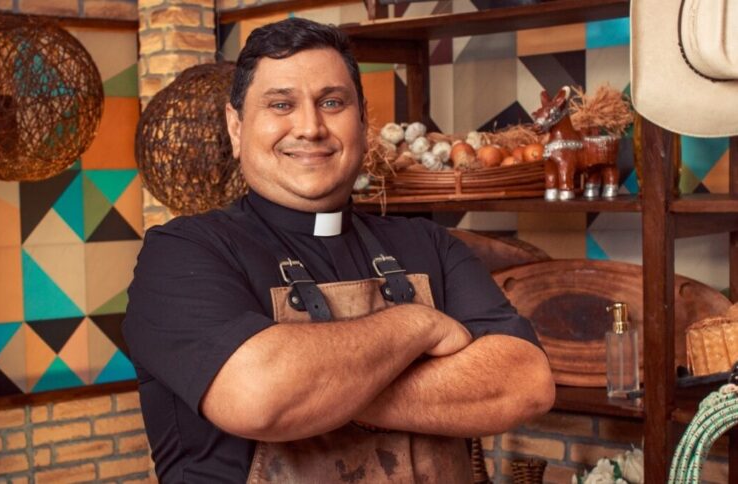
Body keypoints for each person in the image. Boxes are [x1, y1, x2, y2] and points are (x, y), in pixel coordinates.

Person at [123, 17, 555, 483]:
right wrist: (418, 325)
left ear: (363, 120)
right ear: (235, 126)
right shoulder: (184, 252)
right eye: (281, 104)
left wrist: (328, 391)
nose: (310, 127)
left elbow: (524, 383)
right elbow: (262, 396)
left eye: (332, 102)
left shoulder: (427, 242)